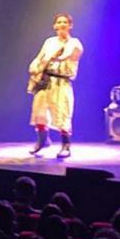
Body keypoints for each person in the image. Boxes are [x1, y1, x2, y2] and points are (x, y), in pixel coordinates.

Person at [28, 13, 84, 158]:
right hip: (45, 81)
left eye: (65, 22)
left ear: (70, 25)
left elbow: (67, 55)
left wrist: (55, 57)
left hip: (61, 82)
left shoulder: (74, 43)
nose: (62, 24)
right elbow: (39, 57)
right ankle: (42, 141)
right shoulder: (49, 42)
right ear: (54, 26)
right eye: (59, 22)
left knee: (62, 112)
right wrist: (34, 67)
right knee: (40, 112)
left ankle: (66, 145)